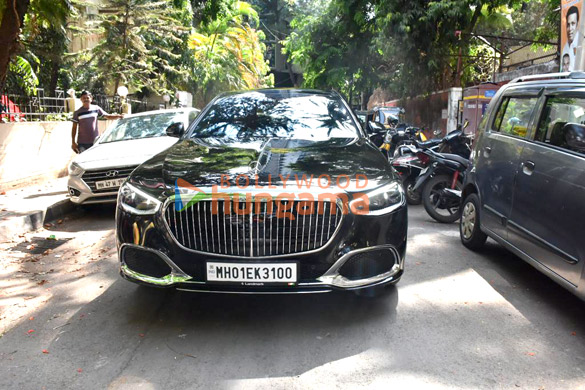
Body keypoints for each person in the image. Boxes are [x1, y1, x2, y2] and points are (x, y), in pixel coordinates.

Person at [561, 6, 580, 71]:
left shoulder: (582, 43)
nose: (570, 29)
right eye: (568, 25)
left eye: (573, 24)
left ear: (577, 24)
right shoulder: (565, 48)